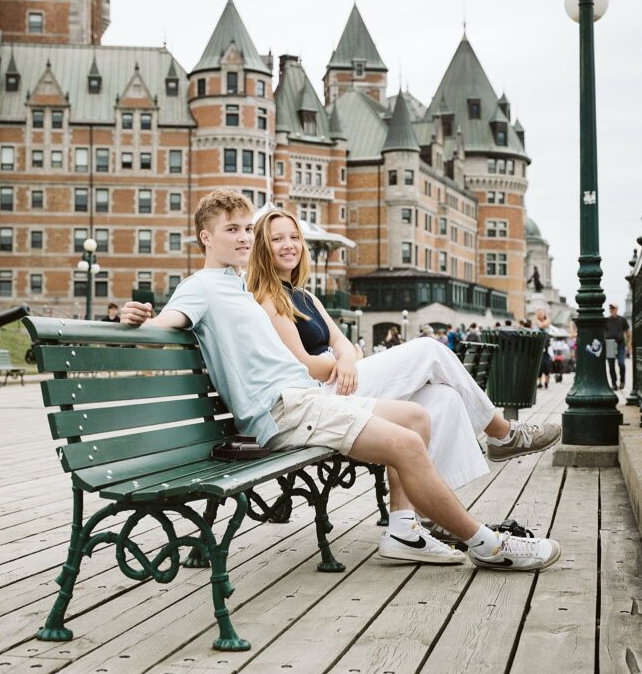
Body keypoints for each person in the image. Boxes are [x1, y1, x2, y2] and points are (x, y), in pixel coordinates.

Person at [121, 190, 561, 573]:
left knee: (416, 417)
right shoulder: (201, 286)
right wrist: (139, 322)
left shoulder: (237, 284)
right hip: (283, 410)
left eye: (245, 229)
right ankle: (489, 546)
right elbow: (165, 327)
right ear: (206, 238)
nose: (241, 237)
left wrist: (340, 356)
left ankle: (405, 532)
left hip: (304, 399)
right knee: (406, 443)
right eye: (231, 229)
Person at [605, 303, 631, 390]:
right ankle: (614, 383)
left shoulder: (622, 320)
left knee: (621, 363)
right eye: (610, 308)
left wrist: (629, 346)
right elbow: (603, 333)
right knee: (611, 365)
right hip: (610, 344)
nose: (611, 309)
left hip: (620, 344)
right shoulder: (606, 320)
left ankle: (622, 381)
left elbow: (628, 333)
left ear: (617, 309)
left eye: (613, 308)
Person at [534, 308, 552, 389]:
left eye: (542, 312)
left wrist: (536, 319)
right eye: (539, 312)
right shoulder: (535, 322)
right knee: (539, 366)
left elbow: (542, 325)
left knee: (546, 366)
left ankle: (546, 382)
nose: (540, 314)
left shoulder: (547, 320)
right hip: (537, 347)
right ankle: (539, 383)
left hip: (546, 348)